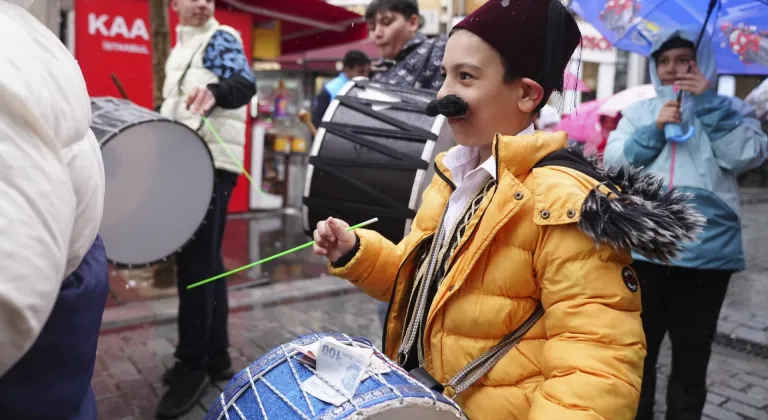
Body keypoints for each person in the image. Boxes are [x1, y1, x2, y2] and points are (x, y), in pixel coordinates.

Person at [313, 1, 704, 418]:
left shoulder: (564, 202)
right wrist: (358, 252)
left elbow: (595, 363)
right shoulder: (453, 177)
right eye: (445, 75)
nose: (444, 93)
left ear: (526, 94)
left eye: (465, 77)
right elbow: (420, 286)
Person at [603, 28, 768, 420]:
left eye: (684, 60)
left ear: (702, 63)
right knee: (638, 354)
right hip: (645, 251)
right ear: (654, 67)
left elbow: (748, 155)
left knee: (692, 361)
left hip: (707, 258)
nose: (674, 69)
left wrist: (708, 106)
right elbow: (614, 167)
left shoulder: (731, 109)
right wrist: (652, 131)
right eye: (665, 61)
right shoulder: (641, 112)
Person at [0, 1, 108, 419]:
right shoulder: (28, 35)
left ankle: (202, 360)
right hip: (64, 297)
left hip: (48, 325)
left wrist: (220, 92)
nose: (201, 4)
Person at [156, 0, 256, 417]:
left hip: (208, 160)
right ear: (174, 4)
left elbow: (242, 83)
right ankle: (215, 358)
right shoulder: (182, 47)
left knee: (195, 266)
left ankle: (190, 365)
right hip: (191, 157)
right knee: (207, 263)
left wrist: (215, 91)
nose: (202, 3)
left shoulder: (219, 38)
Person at [366, 0, 446, 90]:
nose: (377, 33)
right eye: (371, 27)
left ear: (412, 23)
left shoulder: (438, 50)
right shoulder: (376, 68)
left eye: (386, 22)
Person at [312, 50, 371, 128]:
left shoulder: (365, 87)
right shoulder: (330, 89)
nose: (365, 76)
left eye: (367, 72)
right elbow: (318, 122)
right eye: (361, 71)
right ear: (347, 69)